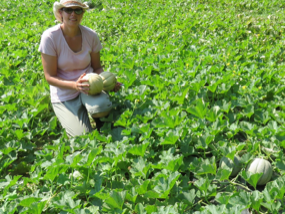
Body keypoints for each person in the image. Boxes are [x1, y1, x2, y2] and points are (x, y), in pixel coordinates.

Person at [38, 0, 121, 137]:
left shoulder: (91, 36)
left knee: (102, 107)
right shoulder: (50, 37)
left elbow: (97, 67)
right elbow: (50, 77)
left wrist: (108, 82)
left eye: (78, 10)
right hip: (64, 94)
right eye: (68, 10)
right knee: (81, 138)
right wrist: (75, 85)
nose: (73, 14)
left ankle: (101, 123)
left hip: (90, 86)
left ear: (82, 13)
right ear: (61, 12)